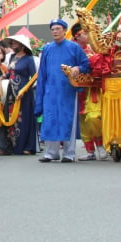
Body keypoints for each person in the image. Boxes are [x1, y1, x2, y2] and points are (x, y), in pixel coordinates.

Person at [35, 19, 91, 163]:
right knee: (50, 118)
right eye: (53, 29)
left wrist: (77, 68)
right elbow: (42, 72)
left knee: (68, 120)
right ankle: (51, 152)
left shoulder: (74, 47)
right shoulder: (47, 49)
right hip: (50, 90)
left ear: (64, 30)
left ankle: (69, 153)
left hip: (68, 90)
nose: (55, 31)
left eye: (58, 29)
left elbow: (86, 64)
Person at [72, 22, 107, 161]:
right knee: (83, 120)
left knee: (94, 116)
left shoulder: (95, 49)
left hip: (94, 90)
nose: (87, 36)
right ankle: (90, 150)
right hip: (80, 90)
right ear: (77, 36)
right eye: (84, 33)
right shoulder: (73, 50)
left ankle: (100, 145)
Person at [4, 35, 38, 155]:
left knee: (23, 118)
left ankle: (27, 146)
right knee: (11, 116)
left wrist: (24, 89)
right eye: (12, 43)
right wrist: (4, 76)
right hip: (11, 92)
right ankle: (13, 145)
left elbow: (34, 76)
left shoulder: (28, 59)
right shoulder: (12, 57)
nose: (12, 44)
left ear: (22, 45)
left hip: (23, 92)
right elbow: (10, 73)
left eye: (15, 43)